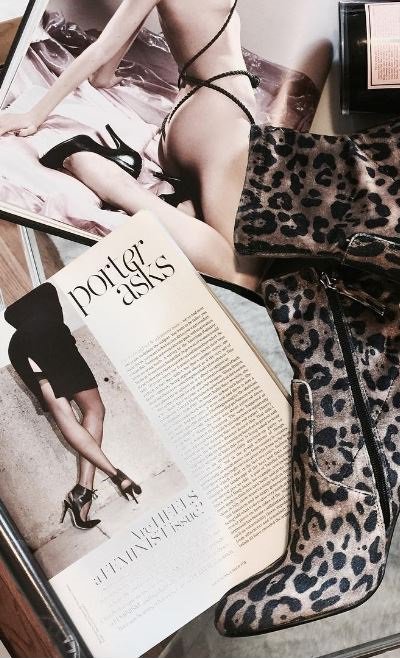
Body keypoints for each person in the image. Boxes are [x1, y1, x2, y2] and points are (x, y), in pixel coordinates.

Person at [0, 0, 263, 291]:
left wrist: (104, 76)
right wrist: (35, 114)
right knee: (242, 275)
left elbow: (110, 54)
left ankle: (175, 206)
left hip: (201, 120)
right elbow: (101, 48)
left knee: (249, 236)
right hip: (215, 122)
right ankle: (115, 184)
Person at [4, 283, 141, 530]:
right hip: (51, 332)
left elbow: (10, 315)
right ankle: (112, 476)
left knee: (64, 414)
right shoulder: (41, 287)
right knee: (94, 410)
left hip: (19, 345)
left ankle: (84, 491)